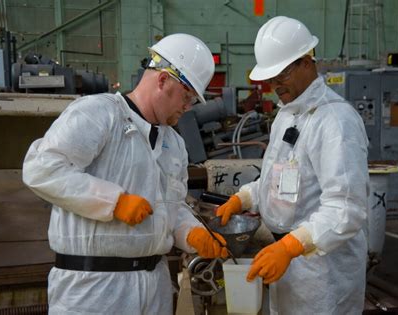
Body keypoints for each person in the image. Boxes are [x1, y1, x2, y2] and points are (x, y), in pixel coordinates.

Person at [22, 33, 228, 315]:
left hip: (154, 286)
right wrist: (114, 202)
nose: (188, 106)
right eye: (187, 96)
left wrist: (190, 232)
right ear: (163, 79)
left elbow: (171, 206)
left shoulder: (174, 145)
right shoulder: (98, 114)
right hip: (93, 290)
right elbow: (42, 169)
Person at [216, 16, 369, 314]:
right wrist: (244, 198)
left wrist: (289, 247)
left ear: (306, 61)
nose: (275, 86)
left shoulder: (336, 121)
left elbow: (347, 209)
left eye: (281, 75)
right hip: (288, 263)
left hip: (323, 271)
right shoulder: (287, 115)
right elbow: (279, 181)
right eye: (271, 78)